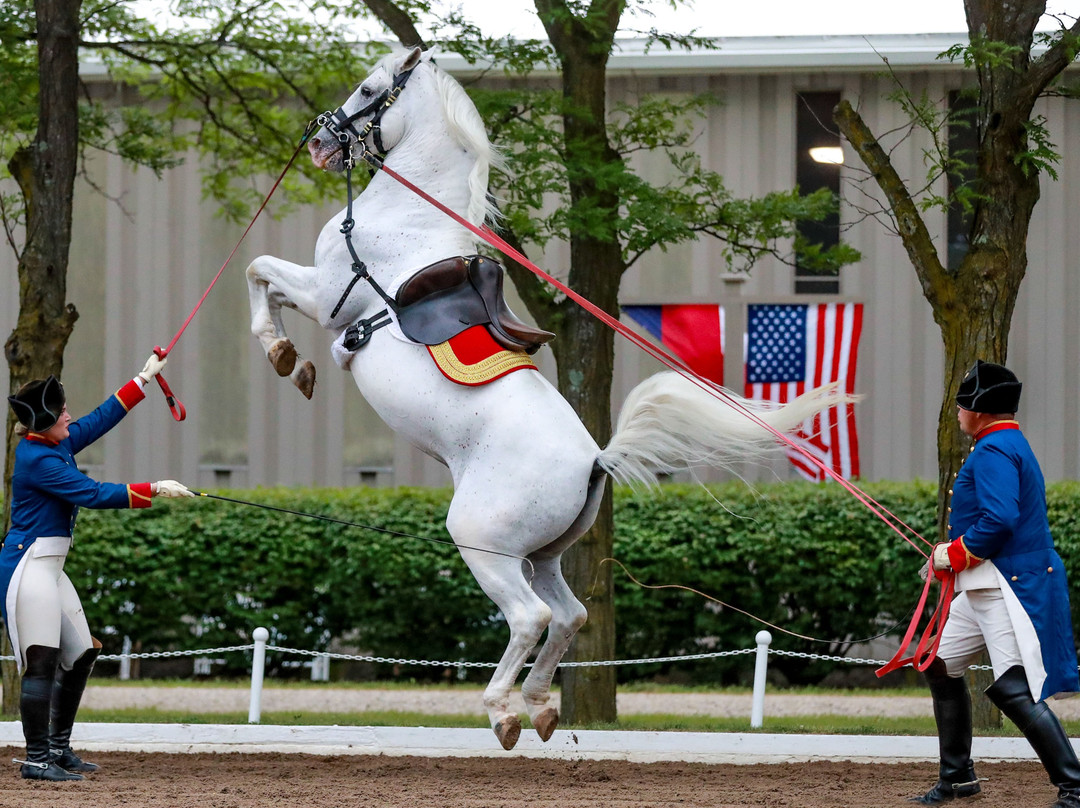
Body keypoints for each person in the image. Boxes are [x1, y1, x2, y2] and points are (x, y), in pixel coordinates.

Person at [2, 355, 195, 782]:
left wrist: (143, 378)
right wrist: (155, 489)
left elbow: (100, 419)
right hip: (28, 565)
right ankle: (36, 759)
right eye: (62, 411)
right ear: (45, 421)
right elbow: (91, 493)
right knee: (42, 661)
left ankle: (57, 748)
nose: (70, 414)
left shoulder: (57, 441)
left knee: (82, 652)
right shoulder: (38, 459)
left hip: (50, 566)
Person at [913, 360, 1080, 806]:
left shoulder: (992, 450)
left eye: (963, 405)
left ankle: (1075, 786)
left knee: (1013, 688)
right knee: (940, 663)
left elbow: (1000, 520)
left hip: (1003, 584)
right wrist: (952, 559)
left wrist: (952, 553)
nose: (959, 413)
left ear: (981, 411)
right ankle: (958, 777)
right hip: (986, 582)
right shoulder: (1004, 442)